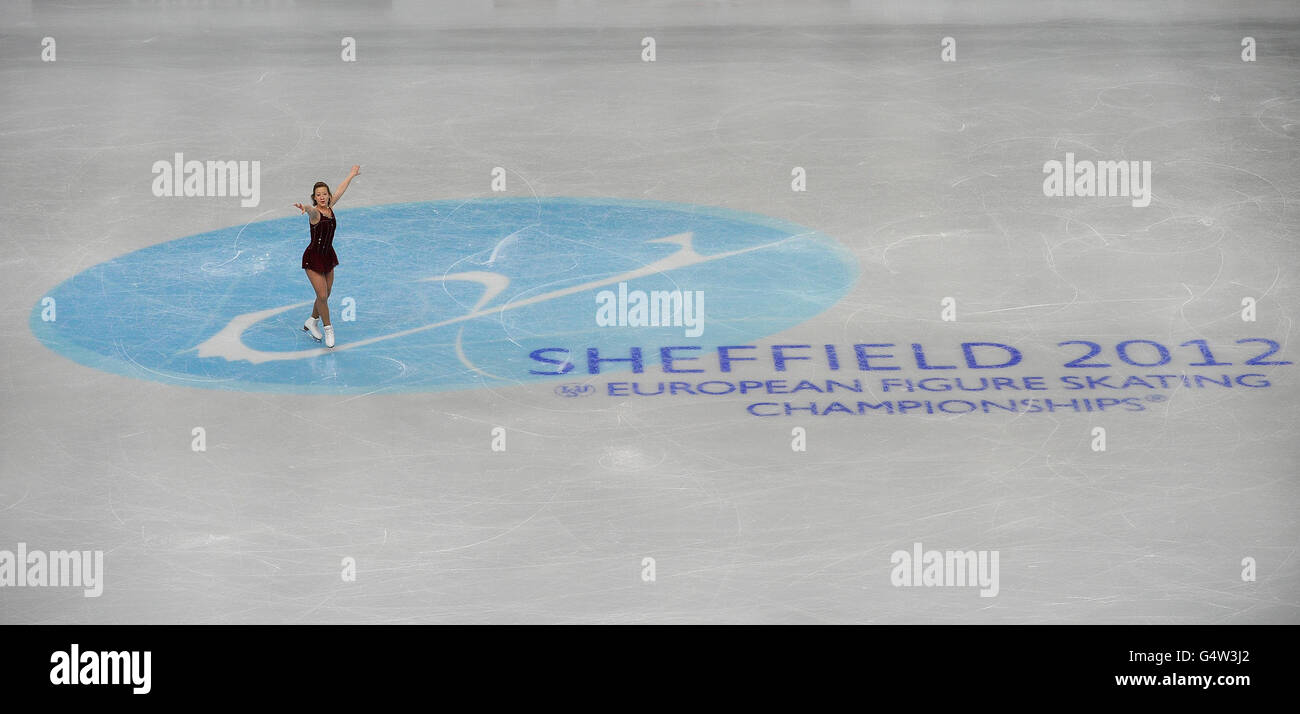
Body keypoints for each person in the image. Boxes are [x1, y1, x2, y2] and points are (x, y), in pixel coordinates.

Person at [293, 165, 359, 348]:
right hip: (313, 258)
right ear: (314, 198)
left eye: (324, 194)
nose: (322, 197)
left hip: (328, 256)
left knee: (326, 294)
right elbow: (310, 210)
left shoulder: (330, 207)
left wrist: (351, 175)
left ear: (328, 196)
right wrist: (305, 207)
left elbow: (340, 190)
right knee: (322, 295)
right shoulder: (315, 213)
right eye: (318, 195)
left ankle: (312, 320)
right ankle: (328, 328)